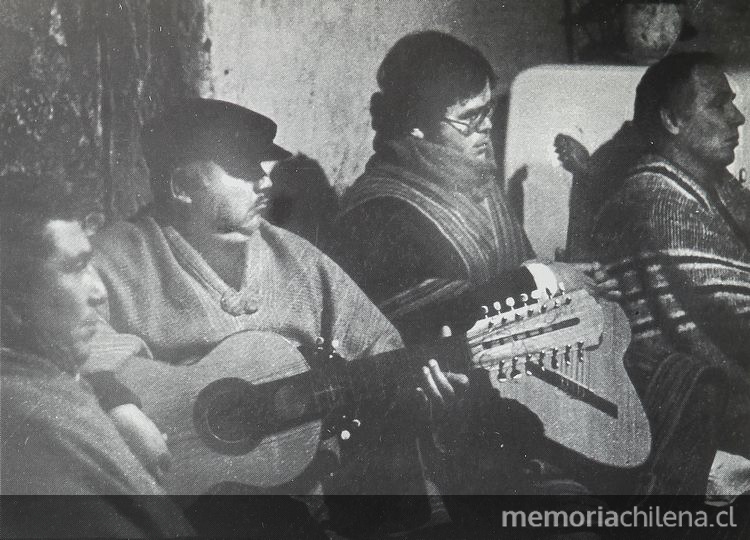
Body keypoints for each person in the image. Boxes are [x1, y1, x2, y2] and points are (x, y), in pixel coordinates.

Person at [91, 98, 465, 535]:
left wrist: (422, 392)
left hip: (306, 501)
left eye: (264, 167)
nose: (265, 181)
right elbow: (61, 352)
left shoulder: (297, 259)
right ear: (181, 186)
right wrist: (117, 402)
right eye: (244, 169)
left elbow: (380, 349)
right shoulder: (116, 259)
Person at [333, 31, 606, 345]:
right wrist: (546, 279)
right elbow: (429, 322)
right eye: (470, 117)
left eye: (487, 110)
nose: (487, 126)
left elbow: (516, 267)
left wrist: (570, 277)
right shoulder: (379, 210)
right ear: (416, 124)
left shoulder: (474, 175)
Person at [0, 174, 194, 537]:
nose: (100, 291)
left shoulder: (51, 384)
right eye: (75, 268)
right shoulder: (36, 420)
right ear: (13, 303)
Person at [592, 52, 750, 494]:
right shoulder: (658, 200)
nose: (736, 116)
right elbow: (739, 312)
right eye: (718, 103)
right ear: (671, 120)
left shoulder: (712, 189)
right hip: (705, 416)